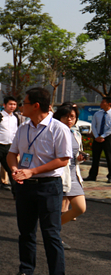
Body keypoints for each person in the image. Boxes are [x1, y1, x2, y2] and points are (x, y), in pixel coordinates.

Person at [6, 88, 71, 275]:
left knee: (51, 234)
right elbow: (12, 153)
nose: (20, 106)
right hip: (25, 186)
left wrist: (32, 171)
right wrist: (15, 169)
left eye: (24, 103)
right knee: (26, 231)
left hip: (49, 186)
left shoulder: (58, 128)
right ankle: (26, 269)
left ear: (35, 106)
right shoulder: (23, 128)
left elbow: (63, 159)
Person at [53, 103, 87, 250]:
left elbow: (77, 153)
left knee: (80, 208)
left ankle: (51, 229)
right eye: (66, 116)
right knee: (60, 208)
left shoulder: (75, 133)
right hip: (59, 174)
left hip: (74, 174)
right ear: (59, 117)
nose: (69, 119)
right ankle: (55, 236)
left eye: (72, 117)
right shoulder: (55, 132)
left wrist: (80, 157)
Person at [85, 95, 111, 182]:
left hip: (108, 138)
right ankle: (92, 176)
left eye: (103, 102)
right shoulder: (97, 114)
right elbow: (93, 125)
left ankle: (110, 177)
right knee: (95, 158)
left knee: (109, 157)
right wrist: (96, 136)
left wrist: (103, 136)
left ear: (109, 104)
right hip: (97, 138)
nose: (101, 104)